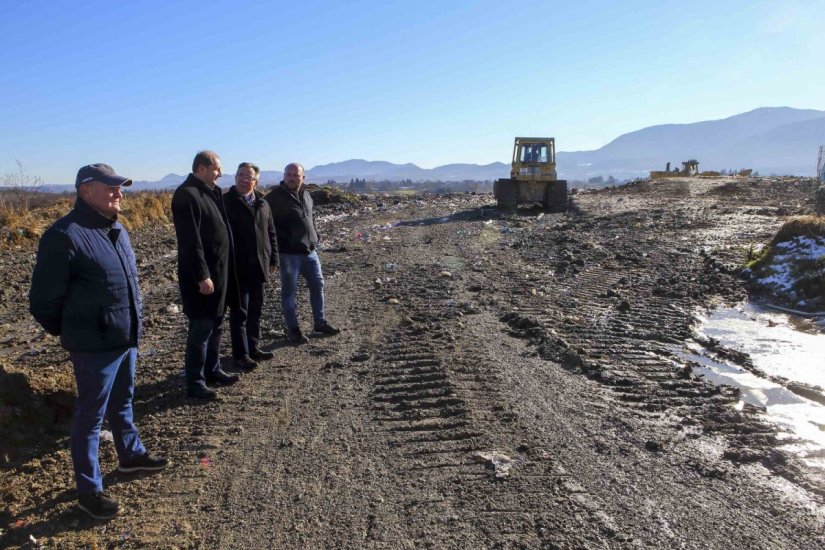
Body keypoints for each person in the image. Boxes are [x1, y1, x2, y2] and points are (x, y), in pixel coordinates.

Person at [29, 163, 169, 520]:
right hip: (93, 346)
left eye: (120, 187)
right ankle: (88, 491)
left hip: (125, 337)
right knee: (90, 418)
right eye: (111, 188)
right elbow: (42, 302)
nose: (119, 193)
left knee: (123, 402)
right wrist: (75, 332)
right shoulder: (64, 235)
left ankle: (130, 457)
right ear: (86, 190)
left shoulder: (118, 229)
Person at [171, 151, 240, 400]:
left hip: (219, 273)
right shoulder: (186, 195)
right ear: (201, 168)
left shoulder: (210, 192)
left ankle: (213, 370)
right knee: (201, 328)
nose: (220, 173)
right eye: (216, 169)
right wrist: (202, 275)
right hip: (202, 278)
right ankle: (195, 382)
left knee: (217, 324)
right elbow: (190, 241)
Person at [264, 163, 340, 343]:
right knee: (289, 292)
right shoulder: (274, 198)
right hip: (289, 254)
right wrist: (278, 249)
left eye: (296, 175)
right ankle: (293, 329)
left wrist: (315, 236)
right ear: (284, 176)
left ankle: (319, 323)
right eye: (288, 174)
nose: (292, 178)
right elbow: (268, 226)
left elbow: (310, 217)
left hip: (310, 252)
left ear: (302, 177)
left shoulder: (306, 195)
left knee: (318, 285)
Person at [223, 162, 278, 368]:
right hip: (237, 268)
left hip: (259, 266)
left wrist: (274, 260)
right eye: (240, 175)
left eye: (249, 176)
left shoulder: (263, 204)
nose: (244, 179)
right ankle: (240, 354)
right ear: (235, 177)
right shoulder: (226, 202)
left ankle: (254, 347)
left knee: (256, 310)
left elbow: (271, 233)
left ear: (256, 181)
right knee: (240, 312)